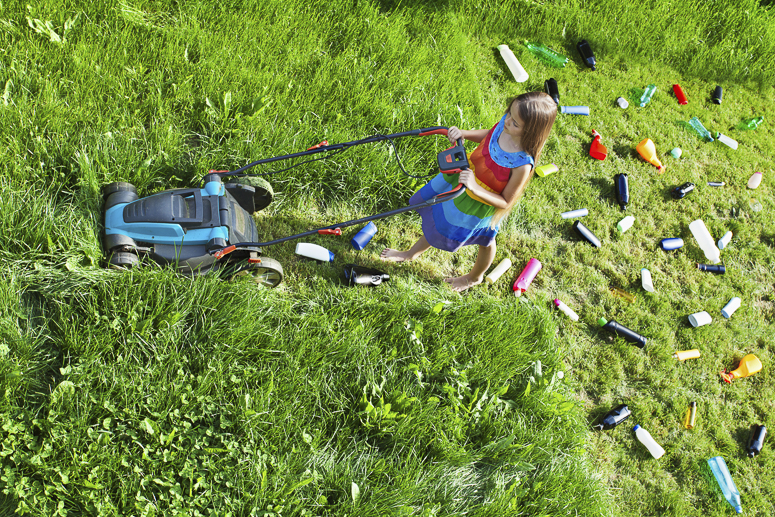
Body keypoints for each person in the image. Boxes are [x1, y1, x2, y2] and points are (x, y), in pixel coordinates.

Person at [380, 91, 557, 291]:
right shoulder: (507, 125)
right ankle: (411, 253)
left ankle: (475, 277)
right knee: (441, 221)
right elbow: (490, 135)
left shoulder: (522, 164)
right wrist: (464, 133)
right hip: (463, 182)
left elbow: (506, 201)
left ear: (531, 132)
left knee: (486, 241)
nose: (507, 122)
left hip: (479, 204)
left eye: (515, 123)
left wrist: (474, 187)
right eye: (509, 114)